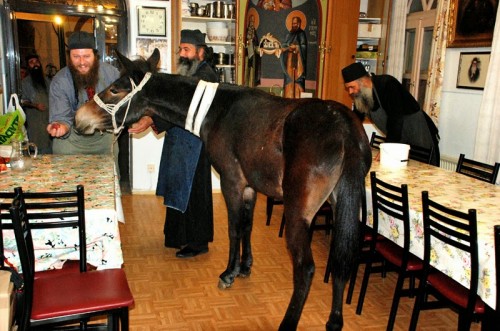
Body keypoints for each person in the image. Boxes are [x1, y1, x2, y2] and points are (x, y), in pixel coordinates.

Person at [129, 29, 218, 258]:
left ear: (200, 52)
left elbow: (184, 107)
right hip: (180, 138)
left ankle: (198, 243)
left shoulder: (206, 76)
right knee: (177, 186)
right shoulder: (187, 72)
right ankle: (177, 236)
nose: (181, 53)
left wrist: (151, 119)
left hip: (196, 144)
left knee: (194, 193)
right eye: (180, 49)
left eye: (186, 49)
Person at [341, 62, 440, 166]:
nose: (350, 92)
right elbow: (355, 120)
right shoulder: (361, 95)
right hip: (400, 141)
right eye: (348, 88)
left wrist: (387, 149)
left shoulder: (387, 84)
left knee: (423, 171)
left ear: (363, 81)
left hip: (418, 134)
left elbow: (395, 119)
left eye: (352, 87)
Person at [47, 31, 120, 155]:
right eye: (76, 57)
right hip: (71, 142)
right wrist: (60, 127)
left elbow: (125, 102)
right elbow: (61, 117)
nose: (81, 62)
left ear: (95, 55)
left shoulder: (112, 74)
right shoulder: (60, 81)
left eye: (86, 56)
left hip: (104, 140)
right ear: (69, 57)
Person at [21, 52, 52, 154]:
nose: (35, 64)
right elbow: (23, 101)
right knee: (37, 148)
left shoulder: (47, 81)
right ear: (28, 66)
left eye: (37, 62)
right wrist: (35, 105)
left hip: (48, 119)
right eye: (31, 62)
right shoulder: (25, 83)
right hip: (34, 121)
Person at [280, 16, 307, 98]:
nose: (293, 25)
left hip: (298, 62)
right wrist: (287, 47)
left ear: (299, 24)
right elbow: (285, 44)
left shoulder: (302, 33)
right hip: (289, 60)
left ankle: (298, 97)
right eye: (292, 23)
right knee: (289, 79)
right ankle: (288, 96)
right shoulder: (290, 34)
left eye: (295, 23)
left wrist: (297, 47)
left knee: (297, 80)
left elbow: (304, 46)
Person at [244, 14, 261, 87]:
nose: (252, 22)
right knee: (246, 70)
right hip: (247, 54)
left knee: (253, 71)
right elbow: (244, 40)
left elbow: (256, 42)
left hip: (253, 54)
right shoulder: (246, 31)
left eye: (253, 21)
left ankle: (252, 85)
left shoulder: (254, 31)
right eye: (251, 20)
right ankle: (245, 84)